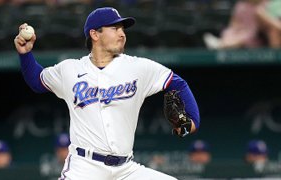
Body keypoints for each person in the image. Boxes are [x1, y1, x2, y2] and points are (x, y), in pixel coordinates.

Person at [14, 7, 200, 180]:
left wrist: (188, 125)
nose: (122, 33)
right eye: (115, 28)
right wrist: (25, 54)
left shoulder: (138, 67)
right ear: (94, 34)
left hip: (126, 169)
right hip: (84, 168)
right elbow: (38, 81)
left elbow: (178, 84)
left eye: (123, 29)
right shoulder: (70, 69)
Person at [203, 0, 267, 49]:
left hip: (253, 33)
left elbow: (258, 27)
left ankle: (221, 45)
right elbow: (234, 22)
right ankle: (223, 45)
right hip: (239, 31)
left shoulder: (262, 6)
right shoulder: (240, 5)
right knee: (229, 33)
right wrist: (236, 29)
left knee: (245, 37)